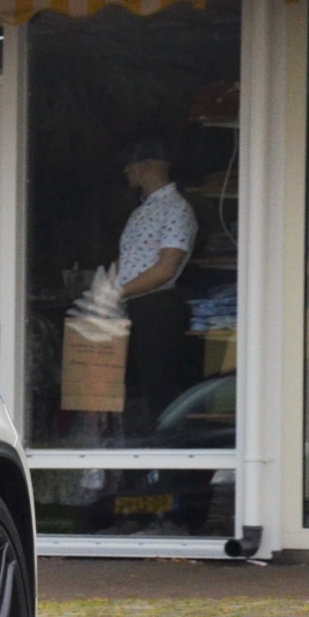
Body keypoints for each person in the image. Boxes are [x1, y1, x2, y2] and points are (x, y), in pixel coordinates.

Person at [114, 137, 197, 436]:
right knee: (139, 392)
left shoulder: (176, 209)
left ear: (145, 166)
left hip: (157, 307)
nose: (126, 171)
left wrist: (118, 292)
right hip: (135, 306)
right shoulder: (142, 211)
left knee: (160, 392)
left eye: (130, 165)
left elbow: (166, 268)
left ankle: (169, 467)